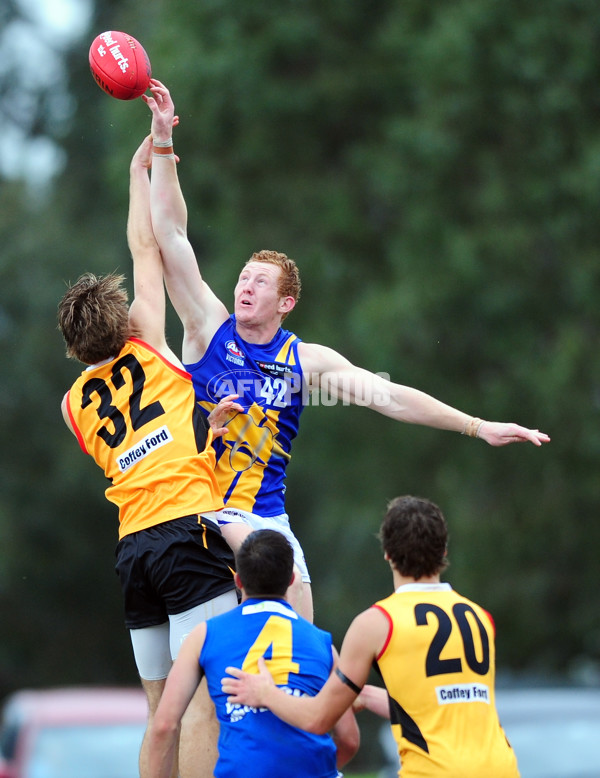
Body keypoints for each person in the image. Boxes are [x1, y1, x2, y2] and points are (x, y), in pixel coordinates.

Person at [143, 79, 550, 622]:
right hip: (204, 509)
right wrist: (163, 142)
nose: (244, 286)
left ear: (285, 302)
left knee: (305, 649)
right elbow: (171, 235)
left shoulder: (304, 361)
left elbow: (389, 397)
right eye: (243, 277)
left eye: (260, 282)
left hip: (267, 518)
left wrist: (477, 427)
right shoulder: (207, 329)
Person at [57, 135, 243, 778]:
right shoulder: (149, 342)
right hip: (186, 530)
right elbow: (146, 247)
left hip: (132, 547)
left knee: (160, 710)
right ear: (123, 322)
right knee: (205, 705)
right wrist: (139, 172)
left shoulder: (72, 405)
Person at [222, 496, 521, 778]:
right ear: (443, 551)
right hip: (502, 768)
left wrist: (265, 693)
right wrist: (363, 694)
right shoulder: (481, 618)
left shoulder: (377, 623)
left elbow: (318, 719)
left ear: (387, 553)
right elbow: (441, 705)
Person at [145, 529, 360, 778]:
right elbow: (349, 739)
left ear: (238, 581)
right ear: (291, 580)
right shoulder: (324, 644)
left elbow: (164, 726)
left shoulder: (205, 635)